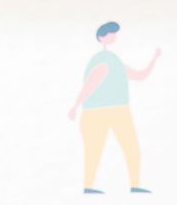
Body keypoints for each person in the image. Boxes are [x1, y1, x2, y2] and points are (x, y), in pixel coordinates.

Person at [67, 21, 161, 195]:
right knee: (98, 149)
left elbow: (140, 75)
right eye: (111, 33)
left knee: (128, 147)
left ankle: (133, 184)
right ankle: (90, 187)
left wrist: (154, 59)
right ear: (102, 37)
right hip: (99, 112)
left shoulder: (114, 61)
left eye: (115, 33)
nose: (114, 36)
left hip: (116, 110)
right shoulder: (103, 60)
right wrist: (75, 105)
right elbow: (91, 84)